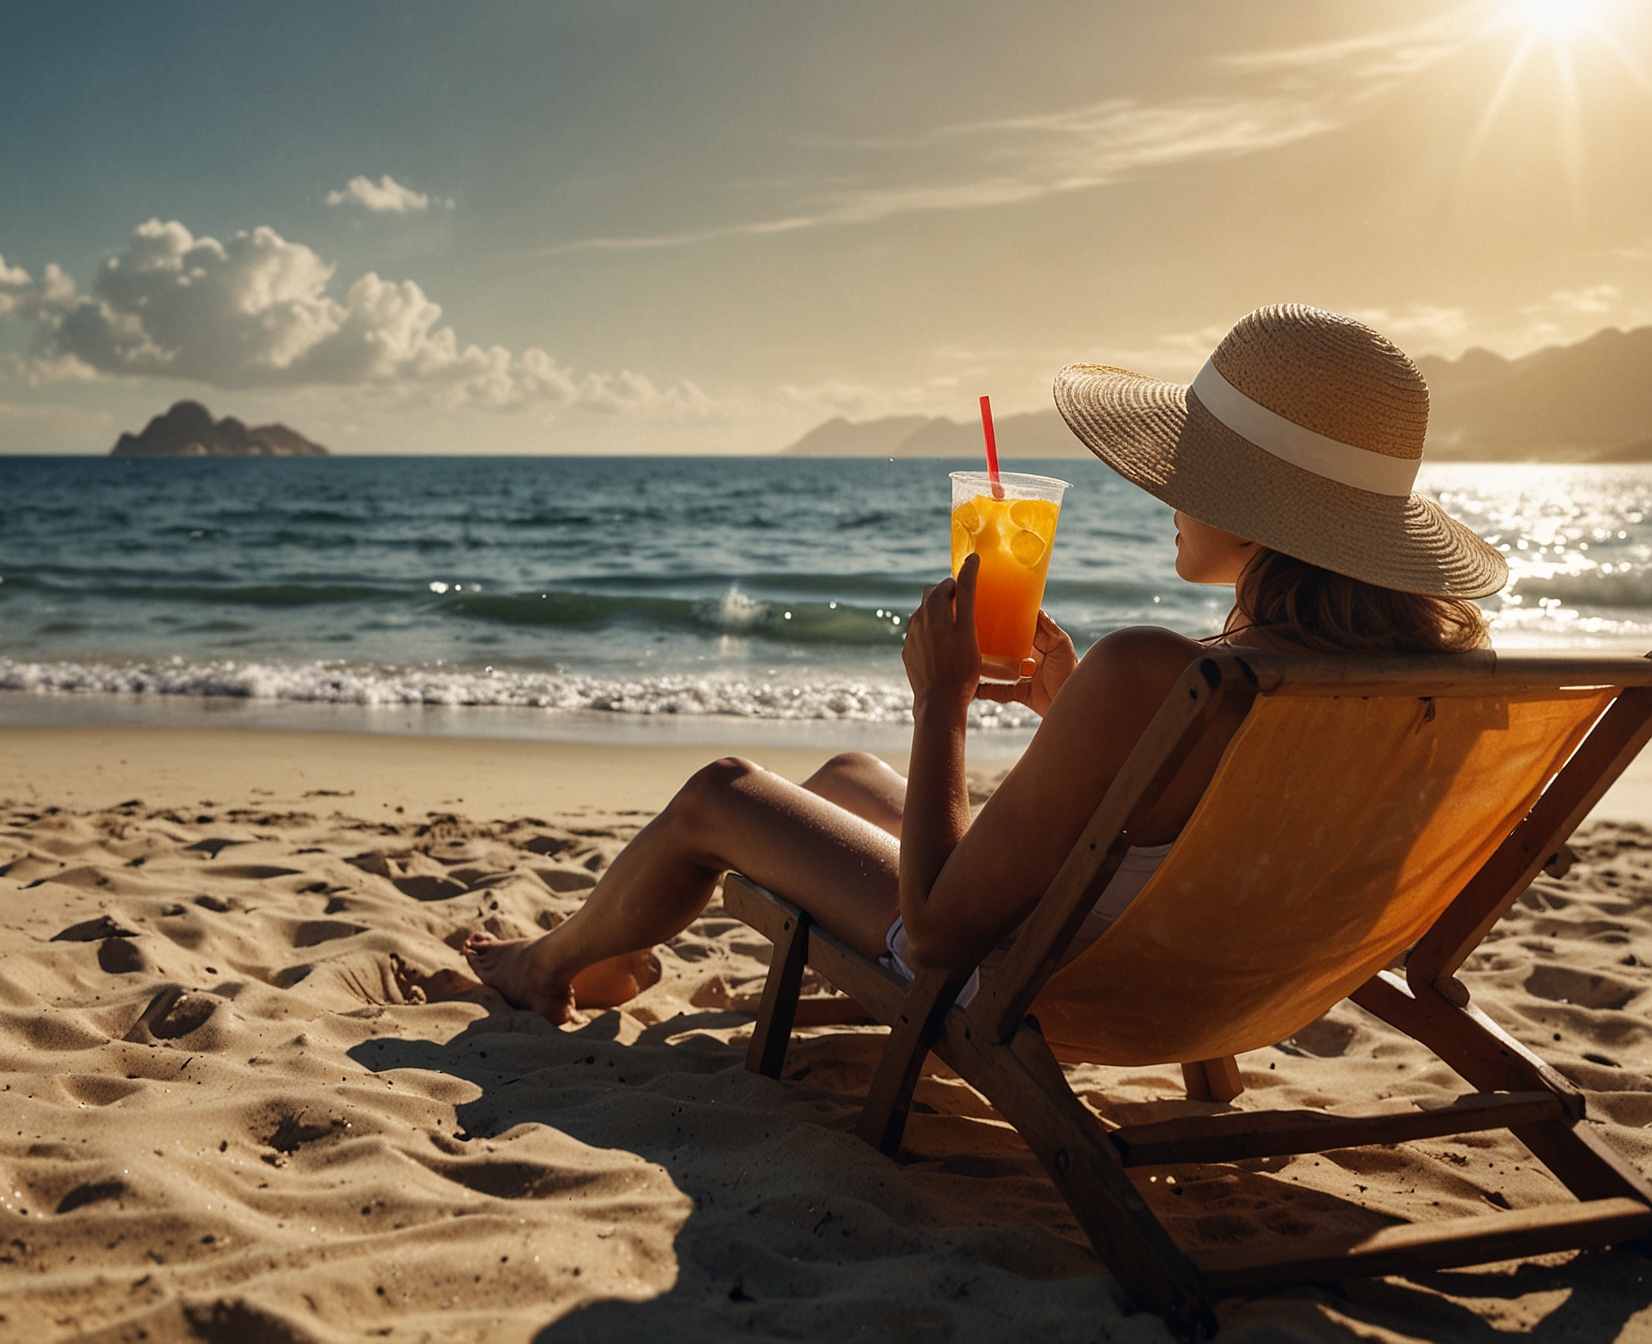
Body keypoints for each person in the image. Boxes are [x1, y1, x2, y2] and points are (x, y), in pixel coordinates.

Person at [463, 304, 1509, 1025]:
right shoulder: (1433, 679)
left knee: (720, 792)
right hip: (1238, 980)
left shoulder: (1156, 668)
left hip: (1047, 979)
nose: (1168, 497)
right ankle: (598, 947)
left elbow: (943, 932)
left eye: (1191, 471)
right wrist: (1068, 699)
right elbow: (1202, 822)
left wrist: (944, 699)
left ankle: (541, 970)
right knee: (837, 782)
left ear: (1252, 506)